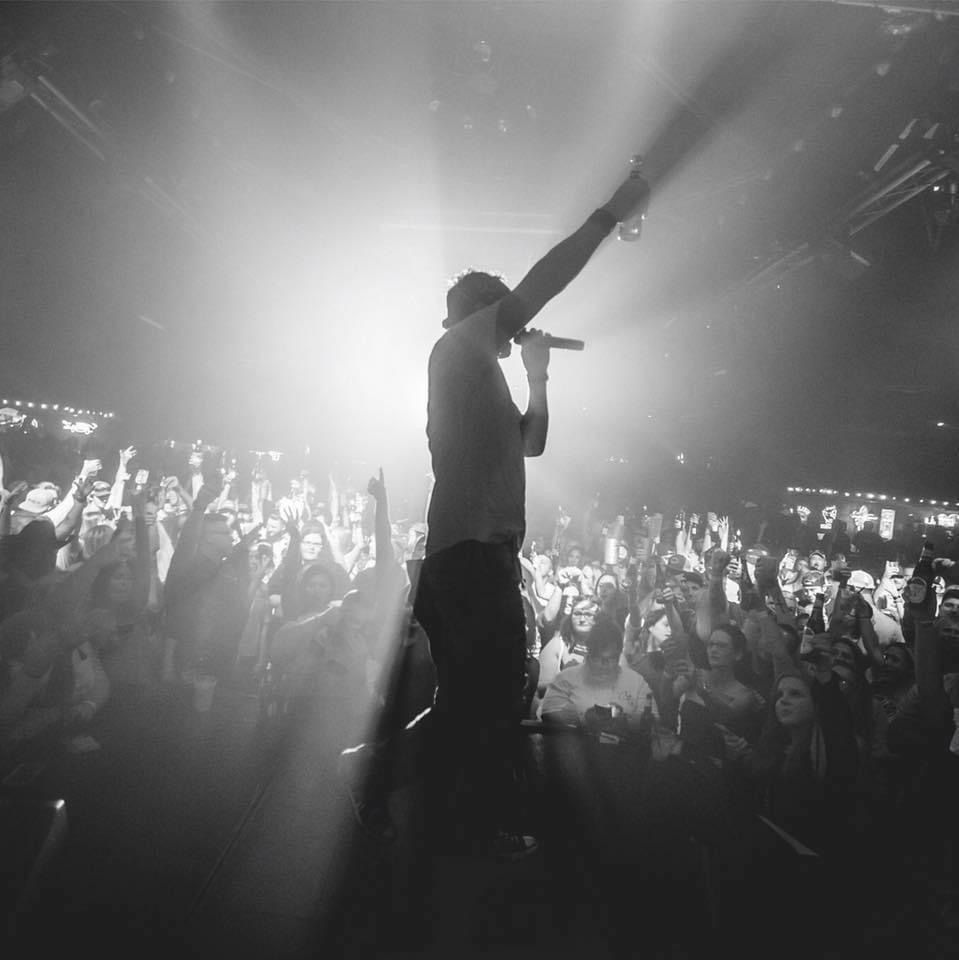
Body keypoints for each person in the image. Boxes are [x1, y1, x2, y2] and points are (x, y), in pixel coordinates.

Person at [341, 168, 651, 860]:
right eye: (502, 309)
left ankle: (376, 774)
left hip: (471, 555)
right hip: (472, 554)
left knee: (467, 703)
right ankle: (478, 824)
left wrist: (537, 375)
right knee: (498, 696)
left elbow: (531, 443)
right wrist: (607, 216)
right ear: (481, 312)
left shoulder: (482, 381)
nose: (516, 319)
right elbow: (543, 283)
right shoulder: (456, 349)